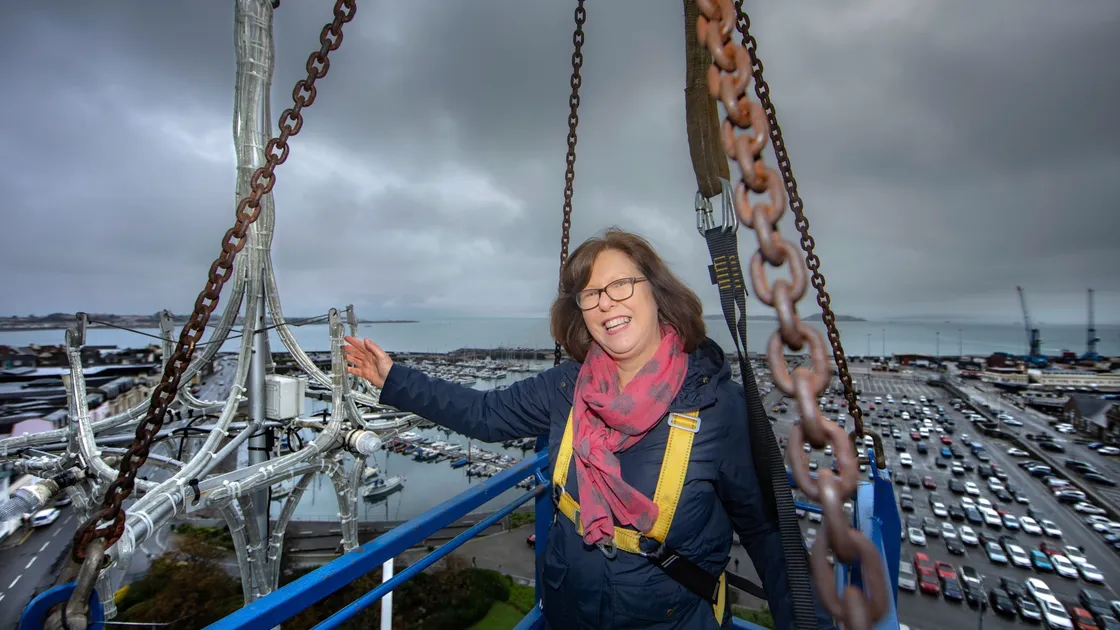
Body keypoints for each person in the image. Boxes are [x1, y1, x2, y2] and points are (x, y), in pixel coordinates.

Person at [344, 228, 831, 629]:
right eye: (591, 294)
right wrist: (395, 380)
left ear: (656, 292)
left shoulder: (716, 406)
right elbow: (485, 414)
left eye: (622, 285)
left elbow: (769, 535)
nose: (605, 303)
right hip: (567, 613)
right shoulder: (567, 387)